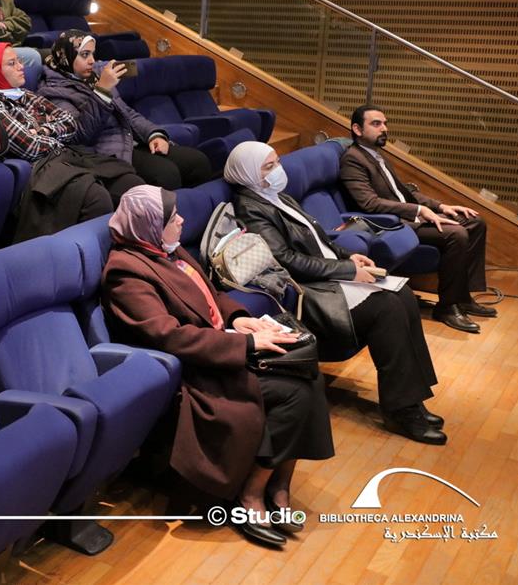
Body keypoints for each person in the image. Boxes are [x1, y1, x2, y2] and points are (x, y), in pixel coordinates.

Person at [102, 186, 333, 548]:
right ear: (150, 226)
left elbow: (213, 294)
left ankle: (278, 484)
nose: (182, 220)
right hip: (197, 370)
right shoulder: (126, 272)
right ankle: (251, 494)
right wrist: (245, 344)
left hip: (222, 346)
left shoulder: (168, 249)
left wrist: (238, 318)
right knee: (294, 394)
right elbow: (169, 337)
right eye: (172, 217)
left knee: (309, 375)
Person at [224, 141, 446, 445]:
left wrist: (348, 257)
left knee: (404, 295)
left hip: (330, 273)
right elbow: (285, 260)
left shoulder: (277, 196)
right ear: (248, 173)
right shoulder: (251, 207)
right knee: (387, 308)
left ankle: (413, 398)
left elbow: (320, 240)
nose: (278, 170)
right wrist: (347, 270)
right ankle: (400, 410)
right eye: (269, 166)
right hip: (312, 288)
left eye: (278, 161)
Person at [340, 105, 493, 331]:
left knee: (475, 222)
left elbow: (404, 193)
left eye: (385, 123)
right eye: (376, 124)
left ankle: (463, 298)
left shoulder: (377, 155)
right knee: (456, 234)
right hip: (391, 225)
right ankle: (447, 307)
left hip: (408, 218)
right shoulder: (352, 159)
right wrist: (419, 211)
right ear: (357, 129)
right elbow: (369, 203)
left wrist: (441, 206)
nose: (384, 128)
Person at [0, 42, 137, 233]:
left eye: (19, 61)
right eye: (12, 63)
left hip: (68, 156)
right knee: (96, 199)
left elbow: (70, 122)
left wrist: (43, 130)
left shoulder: (26, 94)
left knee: (130, 183)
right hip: (44, 168)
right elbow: (31, 147)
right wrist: (54, 132)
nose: (21, 66)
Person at [40, 30, 214, 189]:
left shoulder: (94, 78)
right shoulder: (52, 92)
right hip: (104, 153)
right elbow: (79, 135)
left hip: (129, 140)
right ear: (67, 56)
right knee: (166, 174)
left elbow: (127, 113)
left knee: (197, 162)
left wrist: (154, 134)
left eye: (92, 54)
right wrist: (102, 92)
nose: (92, 60)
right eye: (85, 55)